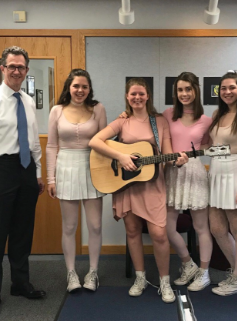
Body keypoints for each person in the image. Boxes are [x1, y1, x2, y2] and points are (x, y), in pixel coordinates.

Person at [89, 78, 188, 303]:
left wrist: (178, 160)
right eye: (133, 94)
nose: (137, 98)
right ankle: (140, 278)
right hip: (127, 186)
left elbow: (168, 154)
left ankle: (164, 281)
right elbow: (95, 141)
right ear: (127, 96)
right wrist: (122, 157)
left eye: (141, 94)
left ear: (147, 96)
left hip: (153, 185)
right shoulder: (121, 122)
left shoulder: (160, 121)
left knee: (159, 234)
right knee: (132, 231)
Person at [0, 46, 46, 319]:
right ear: (2, 69)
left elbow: (33, 141)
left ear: (26, 71)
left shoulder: (26, 100)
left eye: (21, 67)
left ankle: (20, 284)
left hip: (25, 171)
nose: (16, 71)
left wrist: (37, 174)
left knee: (23, 233)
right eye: (12, 66)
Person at [46, 69, 106, 293]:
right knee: (70, 226)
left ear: (89, 89)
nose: (80, 90)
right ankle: (71, 272)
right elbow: (52, 146)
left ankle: (93, 272)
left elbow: (104, 142)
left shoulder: (98, 108)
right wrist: (50, 178)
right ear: (68, 88)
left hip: (93, 168)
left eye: (84, 86)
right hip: (66, 168)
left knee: (95, 225)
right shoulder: (57, 110)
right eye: (76, 86)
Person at [163, 72, 213, 291]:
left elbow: (209, 147)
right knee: (166, 226)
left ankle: (204, 272)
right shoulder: (167, 114)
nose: (184, 93)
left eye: (188, 89)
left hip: (194, 171)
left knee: (201, 227)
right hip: (171, 171)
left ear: (196, 90)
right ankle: (188, 263)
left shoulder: (206, 119)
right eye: (180, 89)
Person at [208, 71, 237, 296]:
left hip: (235, 174)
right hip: (216, 172)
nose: (227, 92)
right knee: (217, 229)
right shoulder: (218, 113)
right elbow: (214, 145)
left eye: (232, 88)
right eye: (223, 88)